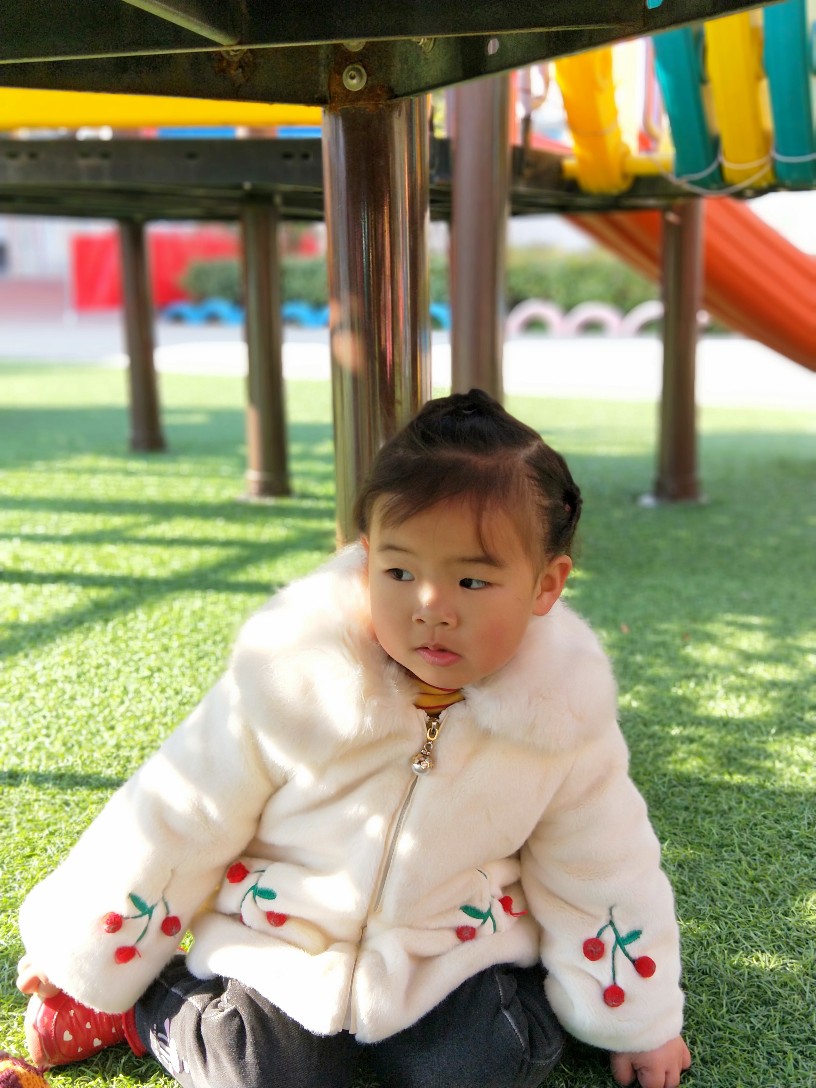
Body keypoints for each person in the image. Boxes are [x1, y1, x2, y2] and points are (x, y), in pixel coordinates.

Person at [16, 390, 692, 1088]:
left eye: (471, 579)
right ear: (366, 561)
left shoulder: (562, 720)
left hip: (450, 955)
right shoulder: (293, 675)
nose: (432, 607)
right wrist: (81, 955)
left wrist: (639, 1022)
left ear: (546, 585)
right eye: (400, 572)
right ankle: (149, 1006)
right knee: (263, 1073)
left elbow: (603, 867)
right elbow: (181, 808)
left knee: (477, 1068)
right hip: (284, 941)